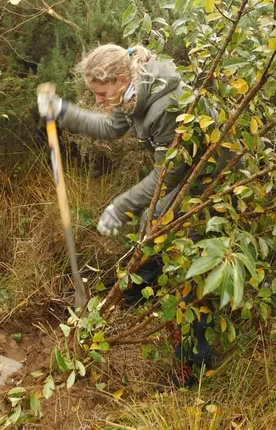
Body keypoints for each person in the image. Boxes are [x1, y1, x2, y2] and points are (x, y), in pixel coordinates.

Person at [37, 44, 227, 383]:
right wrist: (63, 111)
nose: (97, 100)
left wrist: (120, 205)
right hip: (182, 172)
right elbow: (112, 128)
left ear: (122, 78)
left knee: (188, 263)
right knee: (150, 225)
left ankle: (196, 363)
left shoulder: (167, 105)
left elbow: (167, 174)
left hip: (210, 179)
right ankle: (140, 291)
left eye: (100, 92)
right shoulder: (131, 93)